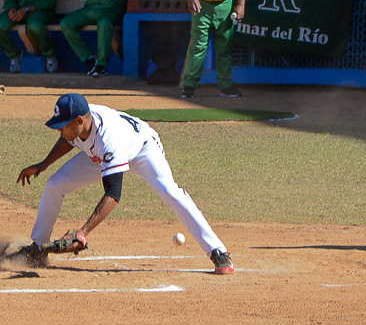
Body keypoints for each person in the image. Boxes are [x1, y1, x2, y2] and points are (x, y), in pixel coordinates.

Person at [15, 93, 235, 275]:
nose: (59, 130)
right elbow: (68, 139)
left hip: (141, 150)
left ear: (79, 121)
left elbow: (113, 194)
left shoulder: (109, 138)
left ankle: (217, 250)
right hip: (100, 154)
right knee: (55, 184)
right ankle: (38, 249)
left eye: (62, 125)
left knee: (170, 191)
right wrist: (43, 165)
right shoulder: (79, 119)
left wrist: (82, 233)